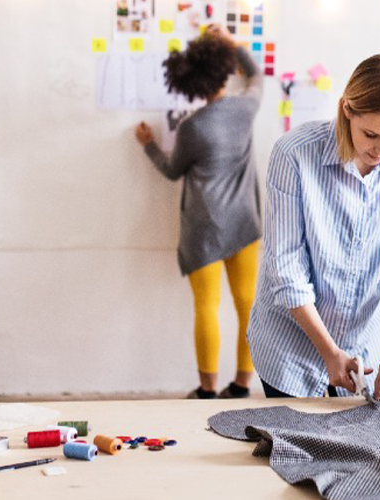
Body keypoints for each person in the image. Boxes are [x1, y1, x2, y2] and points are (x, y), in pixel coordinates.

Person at [246, 54, 380, 403]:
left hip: (368, 343)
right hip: (292, 347)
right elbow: (285, 269)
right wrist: (329, 351)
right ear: (347, 110)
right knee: (297, 446)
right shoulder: (294, 155)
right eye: (371, 134)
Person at [134, 27, 263, 399]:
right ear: (224, 71)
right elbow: (256, 75)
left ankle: (206, 390)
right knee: (247, 305)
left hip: (204, 229)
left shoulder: (193, 127)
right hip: (244, 224)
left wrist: (149, 146)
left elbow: (172, 170)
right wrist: (234, 44)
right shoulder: (246, 107)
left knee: (206, 306)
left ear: (189, 82)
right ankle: (241, 384)